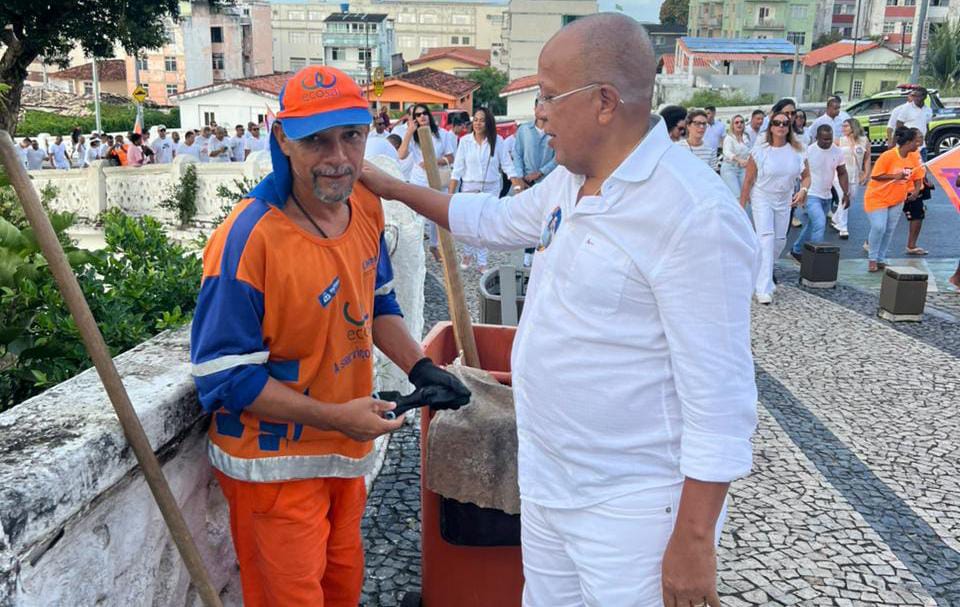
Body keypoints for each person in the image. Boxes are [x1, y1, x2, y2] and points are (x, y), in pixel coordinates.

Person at [360, 14, 758, 607]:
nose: (537, 113)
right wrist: (391, 188)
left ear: (604, 102)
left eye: (547, 96)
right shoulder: (571, 183)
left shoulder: (693, 214)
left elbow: (721, 397)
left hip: (634, 510)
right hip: (549, 482)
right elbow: (489, 220)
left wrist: (694, 539)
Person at [190, 65, 470, 607]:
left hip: (342, 455)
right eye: (315, 140)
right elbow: (224, 378)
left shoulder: (364, 205)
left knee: (341, 588)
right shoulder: (247, 241)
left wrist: (420, 367)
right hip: (273, 469)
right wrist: (338, 417)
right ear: (282, 141)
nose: (338, 157)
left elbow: (376, 300)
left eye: (351, 136)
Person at [740, 109, 810, 304]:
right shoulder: (760, 151)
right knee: (766, 239)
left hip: (784, 199)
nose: (781, 126)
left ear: (789, 128)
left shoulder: (798, 150)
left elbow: (806, 177)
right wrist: (741, 206)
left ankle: (757, 272)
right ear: (770, 127)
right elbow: (748, 180)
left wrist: (803, 191)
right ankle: (763, 287)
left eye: (785, 124)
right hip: (762, 197)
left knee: (779, 241)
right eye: (777, 123)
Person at [448, 107, 519, 272]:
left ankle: (482, 261)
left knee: (484, 224)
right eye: (476, 120)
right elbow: (457, 169)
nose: (478, 123)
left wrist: (516, 185)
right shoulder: (465, 141)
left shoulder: (498, 141)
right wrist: (450, 195)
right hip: (469, 188)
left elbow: (507, 166)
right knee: (468, 223)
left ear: (488, 123)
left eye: (482, 120)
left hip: (490, 188)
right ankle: (467, 253)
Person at [397, 103, 455, 260]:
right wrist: (409, 132)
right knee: (417, 215)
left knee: (439, 214)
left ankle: (435, 246)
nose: (421, 116)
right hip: (419, 180)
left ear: (429, 115)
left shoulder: (443, 134)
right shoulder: (413, 137)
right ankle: (417, 249)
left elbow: (451, 156)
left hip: (437, 178)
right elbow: (401, 155)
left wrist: (436, 161)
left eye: (424, 113)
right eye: (417, 115)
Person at [864, 127, 925, 273]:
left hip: (898, 199)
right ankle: (872, 258)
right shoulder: (888, 156)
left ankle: (881, 258)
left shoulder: (914, 156)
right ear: (908, 142)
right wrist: (894, 176)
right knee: (879, 227)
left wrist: (916, 191)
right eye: (916, 142)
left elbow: (918, 175)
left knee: (889, 230)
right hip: (877, 197)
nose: (918, 145)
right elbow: (875, 175)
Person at [789, 125, 849, 262]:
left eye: (830, 139)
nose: (828, 142)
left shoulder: (837, 151)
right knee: (820, 224)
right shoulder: (809, 151)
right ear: (817, 138)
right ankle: (814, 260)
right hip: (811, 194)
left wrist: (845, 193)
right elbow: (799, 174)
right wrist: (801, 192)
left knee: (812, 225)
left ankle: (796, 250)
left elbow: (842, 172)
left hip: (827, 196)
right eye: (825, 139)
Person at [887, 87, 933, 256]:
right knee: (888, 216)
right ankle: (872, 244)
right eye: (918, 139)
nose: (914, 98)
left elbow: (920, 172)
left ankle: (911, 246)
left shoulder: (918, 155)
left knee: (918, 213)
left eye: (917, 95)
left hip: (913, 190)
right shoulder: (896, 155)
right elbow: (882, 176)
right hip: (897, 190)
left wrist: (919, 187)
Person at [833, 118, 871, 239]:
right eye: (842, 126)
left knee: (852, 197)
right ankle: (843, 227)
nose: (843, 129)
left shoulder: (864, 141)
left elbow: (867, 158)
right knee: (844, 197)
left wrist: (866, 173)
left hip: (855, 174)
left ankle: (836, 218)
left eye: (846, 126)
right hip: (840, 174)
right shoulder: (839, 141)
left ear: (853, 127)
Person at [721, 114, 751, 197]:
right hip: (729, 168)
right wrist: (739, 160)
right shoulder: (729, 137)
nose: (739, 124)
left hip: (743, 168)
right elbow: (726, 152)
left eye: (741, 122)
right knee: (736, 195)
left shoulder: (746, 137)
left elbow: (750, 152)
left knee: (746, 194)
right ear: (732, 125)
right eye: (736, 122)